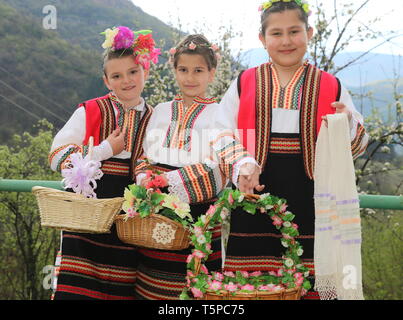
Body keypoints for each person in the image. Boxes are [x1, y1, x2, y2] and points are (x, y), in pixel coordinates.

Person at [217, 0, 369, 300]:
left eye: (294, 31)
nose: (286, 41)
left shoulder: (330, 85)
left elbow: (359, 144)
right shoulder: (245, 82)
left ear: (309, 33)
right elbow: (219, 132)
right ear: (262, 39)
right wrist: (243, 163)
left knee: (309, 285)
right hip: (254, 200)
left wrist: (347, 124)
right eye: (276, 33)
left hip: (312, 203)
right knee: (251, 288)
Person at [133, 34, 259, 300]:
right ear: (174, 71)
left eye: (198, 70)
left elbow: (220, 168)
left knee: (194, 283)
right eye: (183, 70)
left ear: (211, 74)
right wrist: (145, 178)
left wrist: (170, 182)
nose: (190, 78)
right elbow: (145, 155)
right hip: (155, 210)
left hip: (198, 213)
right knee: (152, 283)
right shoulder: (162, 111)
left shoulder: (219, 114)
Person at [48, 26, 161, 300]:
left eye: (133, 72)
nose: (127, 81)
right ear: (107, 80)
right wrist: (104, 149)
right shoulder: (91, 110)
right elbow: (56, 157)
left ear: (145, 70)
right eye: (117, 76)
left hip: (127, 227)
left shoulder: (157, 118)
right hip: (85, 225)